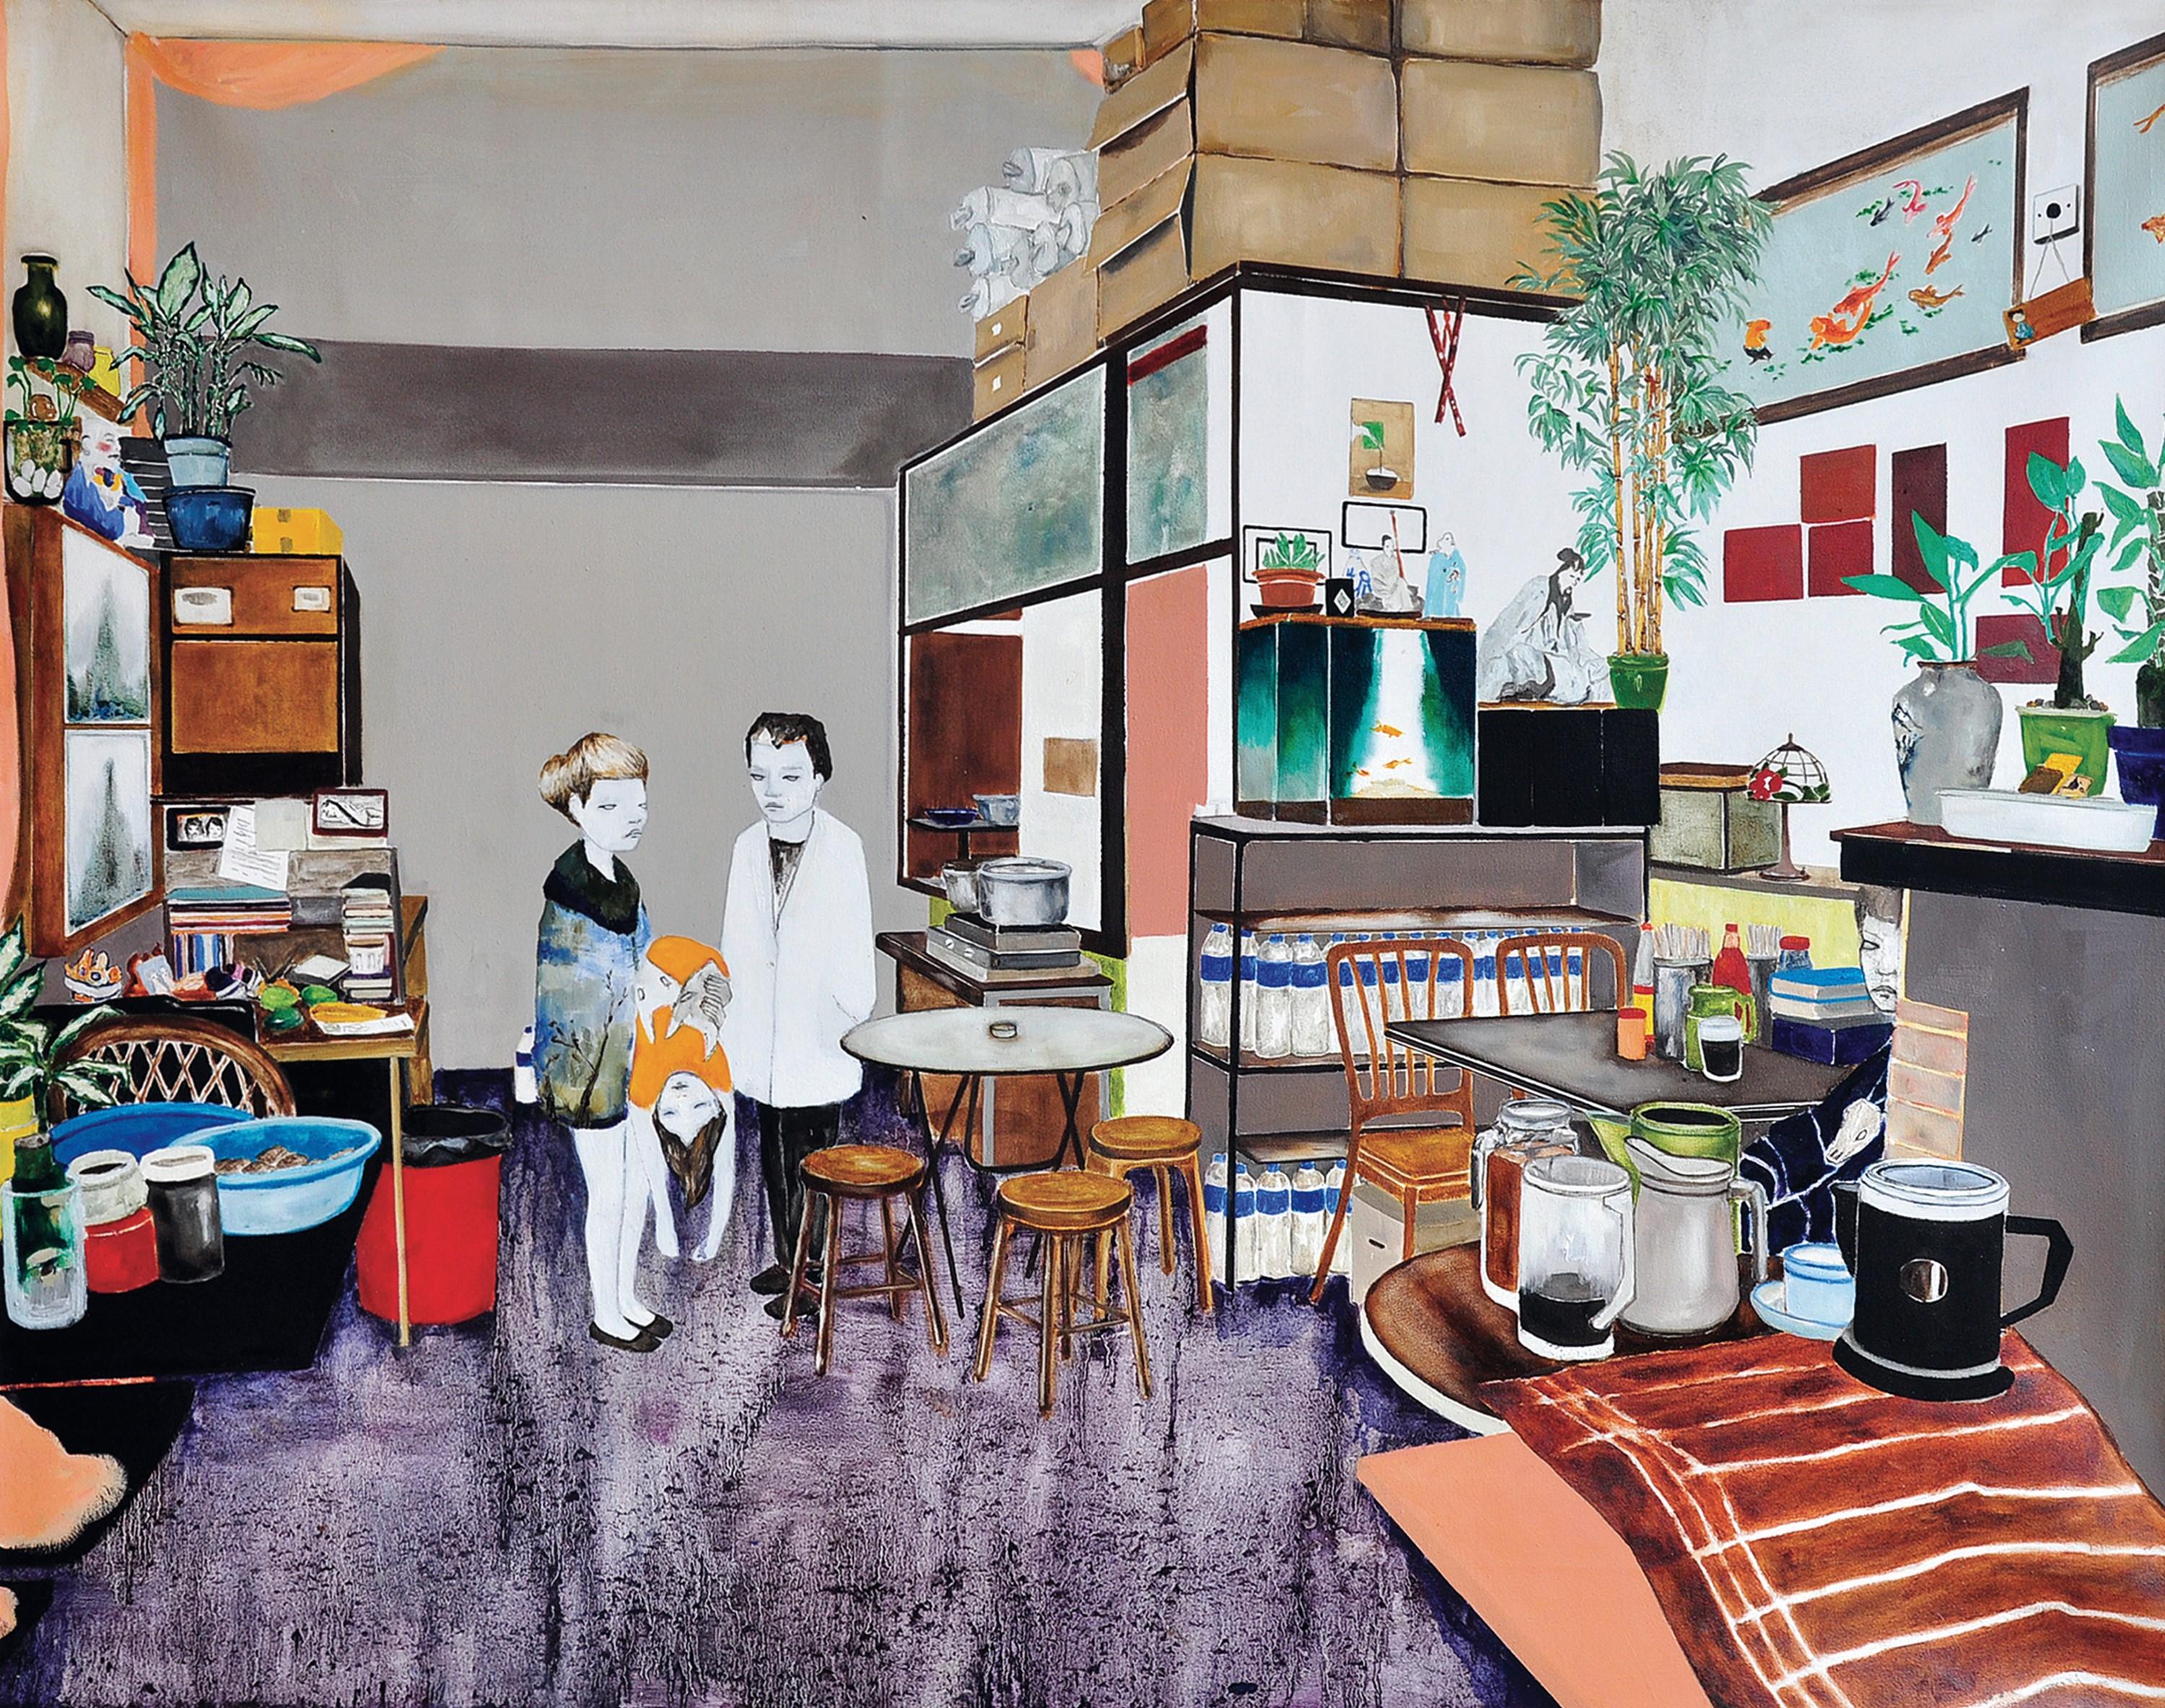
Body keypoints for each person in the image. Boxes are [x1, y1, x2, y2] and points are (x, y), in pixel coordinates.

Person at [720, 713, 877, 1320]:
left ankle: (811, 1268)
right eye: (759, 776)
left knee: (811, 1155)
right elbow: (736, 938)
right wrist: (730, 1015)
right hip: (763, 1030)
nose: (772, 791)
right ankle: (789, 1260)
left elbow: (854, 943)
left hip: (816, 1031)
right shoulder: (745, 847)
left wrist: (849, 1009)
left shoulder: (843, 848)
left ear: (818, 778)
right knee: (772, 1149)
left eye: (789, 776)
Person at [533, 732, 675, 1354]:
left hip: (632, 1057)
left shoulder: (625, 882)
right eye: (613, 806)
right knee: (609, 1192)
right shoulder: (568, 896)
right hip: (589, 1071)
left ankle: (627, 1296)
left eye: (639, 804)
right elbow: (574, 999)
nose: (632, 818)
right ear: (578, 808)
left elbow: (646, 961)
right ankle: (605, 1312)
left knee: (639, 1183)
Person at [1741, 885, 1904, 1251]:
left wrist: (1744, 1221)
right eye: (1871, 945)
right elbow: (1812, 1134)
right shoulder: (1883, 1062)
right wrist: (1749, 1180)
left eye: (1901, 948)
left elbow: (1834, 1223)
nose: (1884, 967)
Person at [629, 936, 736, 1266]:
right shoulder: (718, 1077)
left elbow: (653, 1162)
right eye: (698, 1107)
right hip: (695, 971)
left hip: (643, 972)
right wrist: (714, 1237)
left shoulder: (644, 1090)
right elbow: (725, 1168)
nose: (683, 1097)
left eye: (672, 1113)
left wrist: (665, 1221)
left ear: (658, 1115)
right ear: (717, 1106)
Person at [1474, 547, 1609, 704]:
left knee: (1591, 671)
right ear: (1561, 572)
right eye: (1572, 576)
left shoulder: (1566, 602)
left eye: (1577, 580)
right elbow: (1516, 627)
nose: (1574, 582)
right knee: (1525, 656)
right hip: (1525, 653)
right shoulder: (1540, 589)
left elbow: (1570, 642)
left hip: (1548, 656)